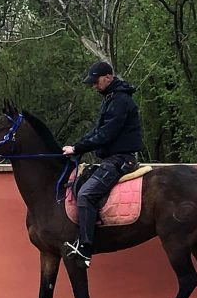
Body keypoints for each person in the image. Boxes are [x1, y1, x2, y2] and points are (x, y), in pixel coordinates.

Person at [61, 60, 143, 268]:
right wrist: (76, 145)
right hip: (110, 158)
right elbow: (97, 131)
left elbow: (106, 134)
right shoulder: (110, 98)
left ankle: (86, 248)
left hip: (121, 159)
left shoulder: (120, 100)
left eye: (96, 81)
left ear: (108, 77)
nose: (94, 86)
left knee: (86, 194)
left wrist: (78, 148)